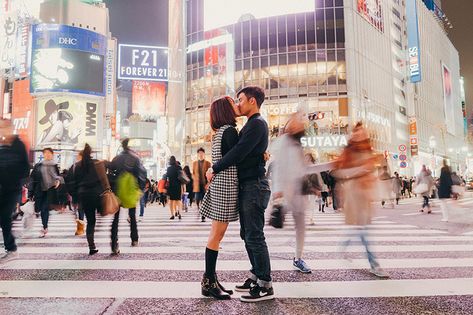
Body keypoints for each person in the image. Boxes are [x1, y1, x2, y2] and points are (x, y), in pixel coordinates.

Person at [207, 86, 273, 302]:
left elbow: (239, 152)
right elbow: (243, 151)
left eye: (241, 100)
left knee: (254, 235)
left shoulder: (256, 124)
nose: (238, 104)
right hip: (248, 185)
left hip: (254, 185)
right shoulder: (247, 126)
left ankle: (264, 284)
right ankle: (256, 276)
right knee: (248, 234)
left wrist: (214, 168)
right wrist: (260, 156)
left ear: (252, 101)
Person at [334, 122, 388, 278]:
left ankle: (342, 246)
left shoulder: (368, 149)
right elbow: (338, 172)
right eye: (357, 132)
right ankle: (374, 265)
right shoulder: (348, 151)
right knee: (363, 230)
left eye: (362, 132)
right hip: (353, 193)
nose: (360, 134)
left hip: (365, 194)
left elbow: (372, 172)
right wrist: (359, 170)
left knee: (358, 228)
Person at [199, 96, 240, 300]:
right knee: (217, 234)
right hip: (226, 185)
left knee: (216, 233)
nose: (236, 105)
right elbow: (236, 157)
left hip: (219, 184)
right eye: (233, 103)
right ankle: (208, 281)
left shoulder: (218, 134)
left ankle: (211, 279)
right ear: (226, 109)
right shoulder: (230, 131)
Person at [272, 112, 320, 274]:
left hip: (299, 190)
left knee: (301, 227)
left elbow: (303, 169)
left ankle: (298, 258)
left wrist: (332, 165)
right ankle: (258, 260)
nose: (297, 123)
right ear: (288, 125)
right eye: (294, 120)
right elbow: (278, 166)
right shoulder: (283, 142)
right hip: (285, 191)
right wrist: (278, 189)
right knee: (274, 223)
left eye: (300, 121)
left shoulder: (299, 144)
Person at [106, 138, 147, 254]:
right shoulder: (135, 158)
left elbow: (110, 169)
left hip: (117, 190)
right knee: (132, 216)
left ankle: (114, 244)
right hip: (130, 191)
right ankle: (134, 239)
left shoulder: (117, 158)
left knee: (116, 218)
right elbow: (142, 174)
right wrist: (140, 189)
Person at [0, 119, 30, 263]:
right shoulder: (1, 145)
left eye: (4, 127)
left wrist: (15, 180)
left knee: (5, 216)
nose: (2, 130)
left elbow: (25, 168)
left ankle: (11, 249)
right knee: (3, 218)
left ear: (10, 128)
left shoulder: (18, 145)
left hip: (12, 189)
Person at [73, 144, 102, 255]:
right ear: (91, 153)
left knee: (90, 220)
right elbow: (102, 179)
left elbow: (74, 182)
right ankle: (92, 243)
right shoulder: (96, 163)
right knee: (94, 221)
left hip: (83, 196)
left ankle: (91, 246)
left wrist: (75, 198)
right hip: (96, 195)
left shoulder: (78, 165)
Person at [29, 147, 63, 238]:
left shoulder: (54, 166)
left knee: (44, 209)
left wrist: (58, 181)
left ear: (52, 155)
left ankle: (44, 227)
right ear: (43, 155)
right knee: (41, 209)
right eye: (45, 153)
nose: (47, 155)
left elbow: (58, 177)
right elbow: (32, 179)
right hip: (40, 190)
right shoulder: (38, 166)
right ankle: (45, 225)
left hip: (50, 190)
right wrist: (30, 193)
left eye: (49, 153)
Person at [65, 151, 85, 236]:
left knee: (80, 209)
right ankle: (82, 227)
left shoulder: (74, 167)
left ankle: (80, 228)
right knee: (81, 210)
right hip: (85, 192)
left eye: (78, 156)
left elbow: (68, 179)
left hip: (78, 192)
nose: (77, 157)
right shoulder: (90, 166)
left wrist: (70, 191)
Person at [193, 148, 211, 222]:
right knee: (197, 199)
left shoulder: (208, 163)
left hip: (204, 185)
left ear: (204, 154)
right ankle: (198, 209)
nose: (200, 154)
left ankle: (203, 216)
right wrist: (195, 179)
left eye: (202, 153)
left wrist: (208, 183)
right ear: (197, 154)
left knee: (204, 201)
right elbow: (193, 173)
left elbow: (210, 174)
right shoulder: (194, 163)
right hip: (197, 185)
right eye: (199, 153)